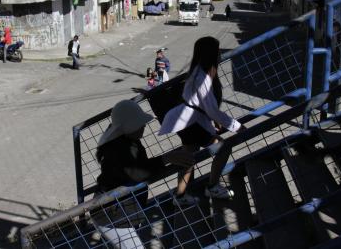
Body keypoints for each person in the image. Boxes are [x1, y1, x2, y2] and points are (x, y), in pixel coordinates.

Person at [92, 100, 195, 248]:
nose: (144, 125)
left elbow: (137, 168)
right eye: (138, 123)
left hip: (121, 211)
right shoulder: (118, 149)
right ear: (127, 126)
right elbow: (136, 172)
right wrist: (165, 159)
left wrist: (165, 159)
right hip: (112, 216)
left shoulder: (123, 140)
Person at [159, 37, 246, 206]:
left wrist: (215, 119)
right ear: (210, 54)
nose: (220, 55)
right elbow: (211, 110)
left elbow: (205, 107)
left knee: (188, 158)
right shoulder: (203, 77)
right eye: (217, 51)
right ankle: (212, 186)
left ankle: (180, 196)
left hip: (186, 121)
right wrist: (238, 127)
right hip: (191, 123)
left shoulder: (197, 71)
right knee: (223, 147)